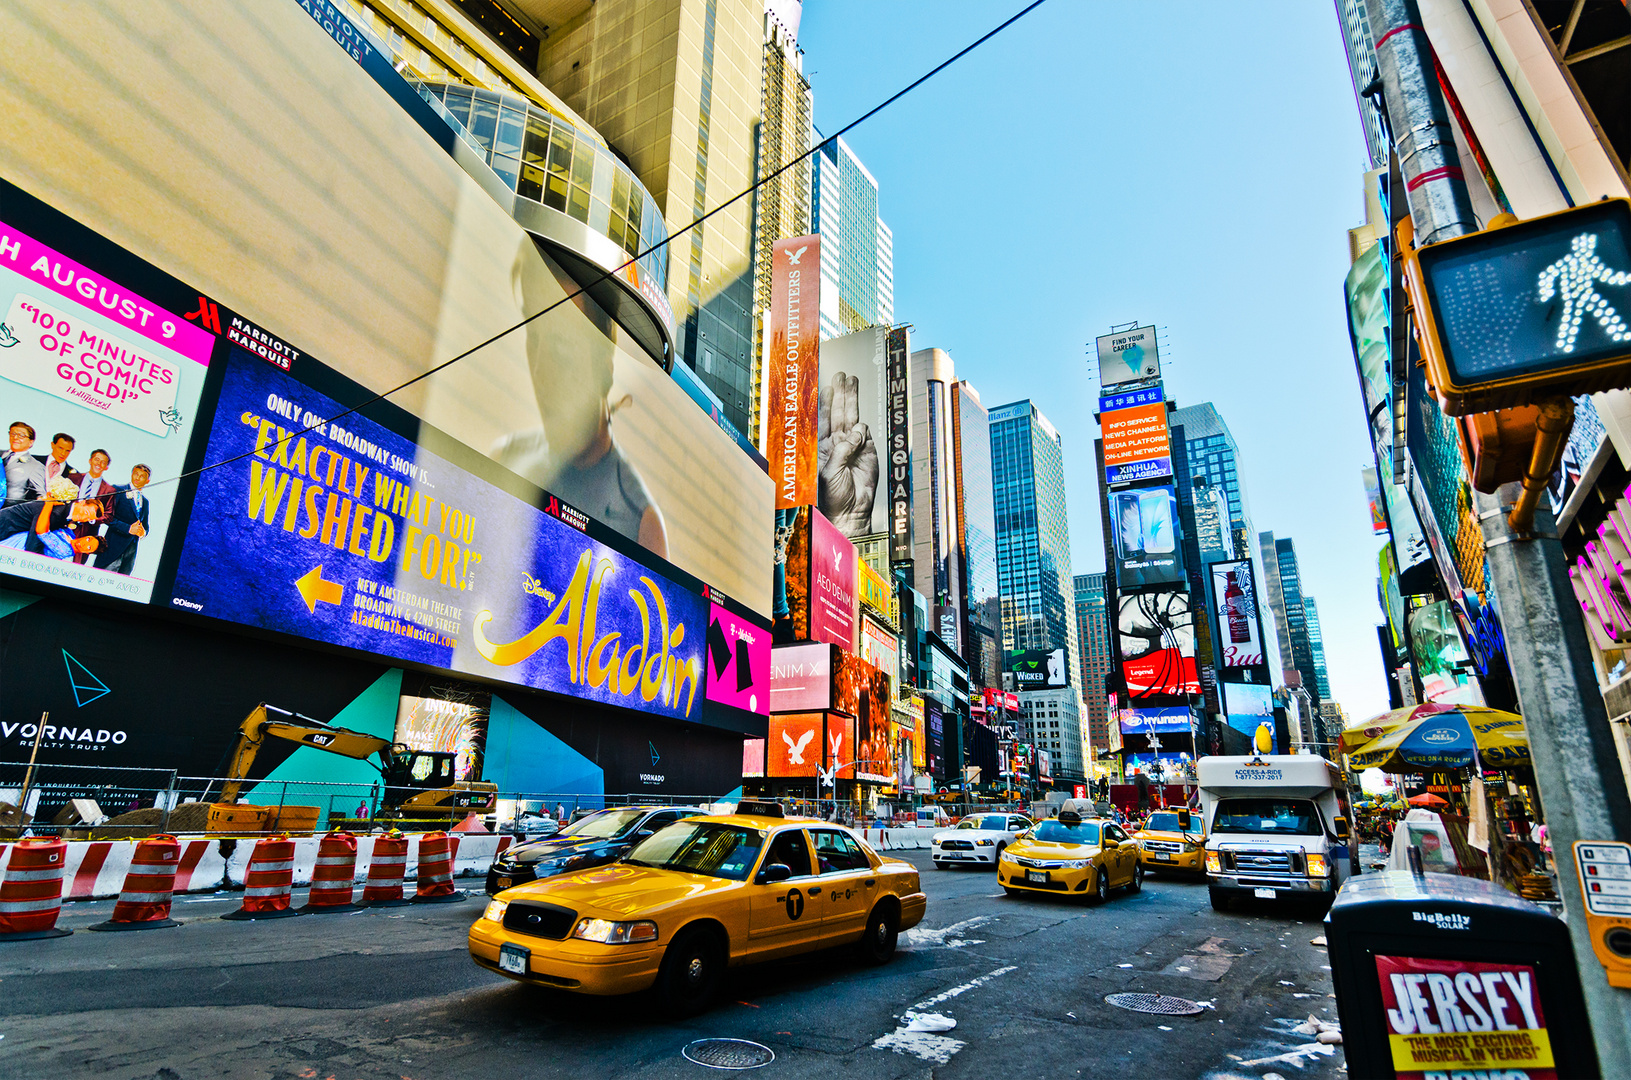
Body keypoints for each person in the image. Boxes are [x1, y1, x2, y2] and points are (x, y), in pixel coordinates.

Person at [494, 236, 668, 558]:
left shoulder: (641, 522)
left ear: (605, 366)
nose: (542, 372)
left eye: (561, 346)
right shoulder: (503, 461)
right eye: (534, 336)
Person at [94, 463, 151, 575]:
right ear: (131, 474)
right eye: (136, 474)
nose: (138, 478)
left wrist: (143, 532)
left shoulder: (145, 502)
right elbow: (105, 516)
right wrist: (127, 528)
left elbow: (146, 526)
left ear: (147, 481)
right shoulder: (118, 490)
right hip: (112, 549)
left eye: (142, 476)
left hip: (130, 554)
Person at [71, 449, 117, 564]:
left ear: (106, 467)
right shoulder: (73, 478)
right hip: (64, 525)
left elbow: (109, 516)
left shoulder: (109, 490)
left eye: (103, 462)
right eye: (97, 459)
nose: (99, 464)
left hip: (87, 534)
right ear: (90, 460)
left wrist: (91, 519)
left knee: (76, 564)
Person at [3, 421, 46, 506]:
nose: (15, 437)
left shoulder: (35, 466)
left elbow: (40, 495)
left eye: (21, 435)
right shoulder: (1, 455)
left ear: (31, 442)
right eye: (13, 433)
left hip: (7, 514)